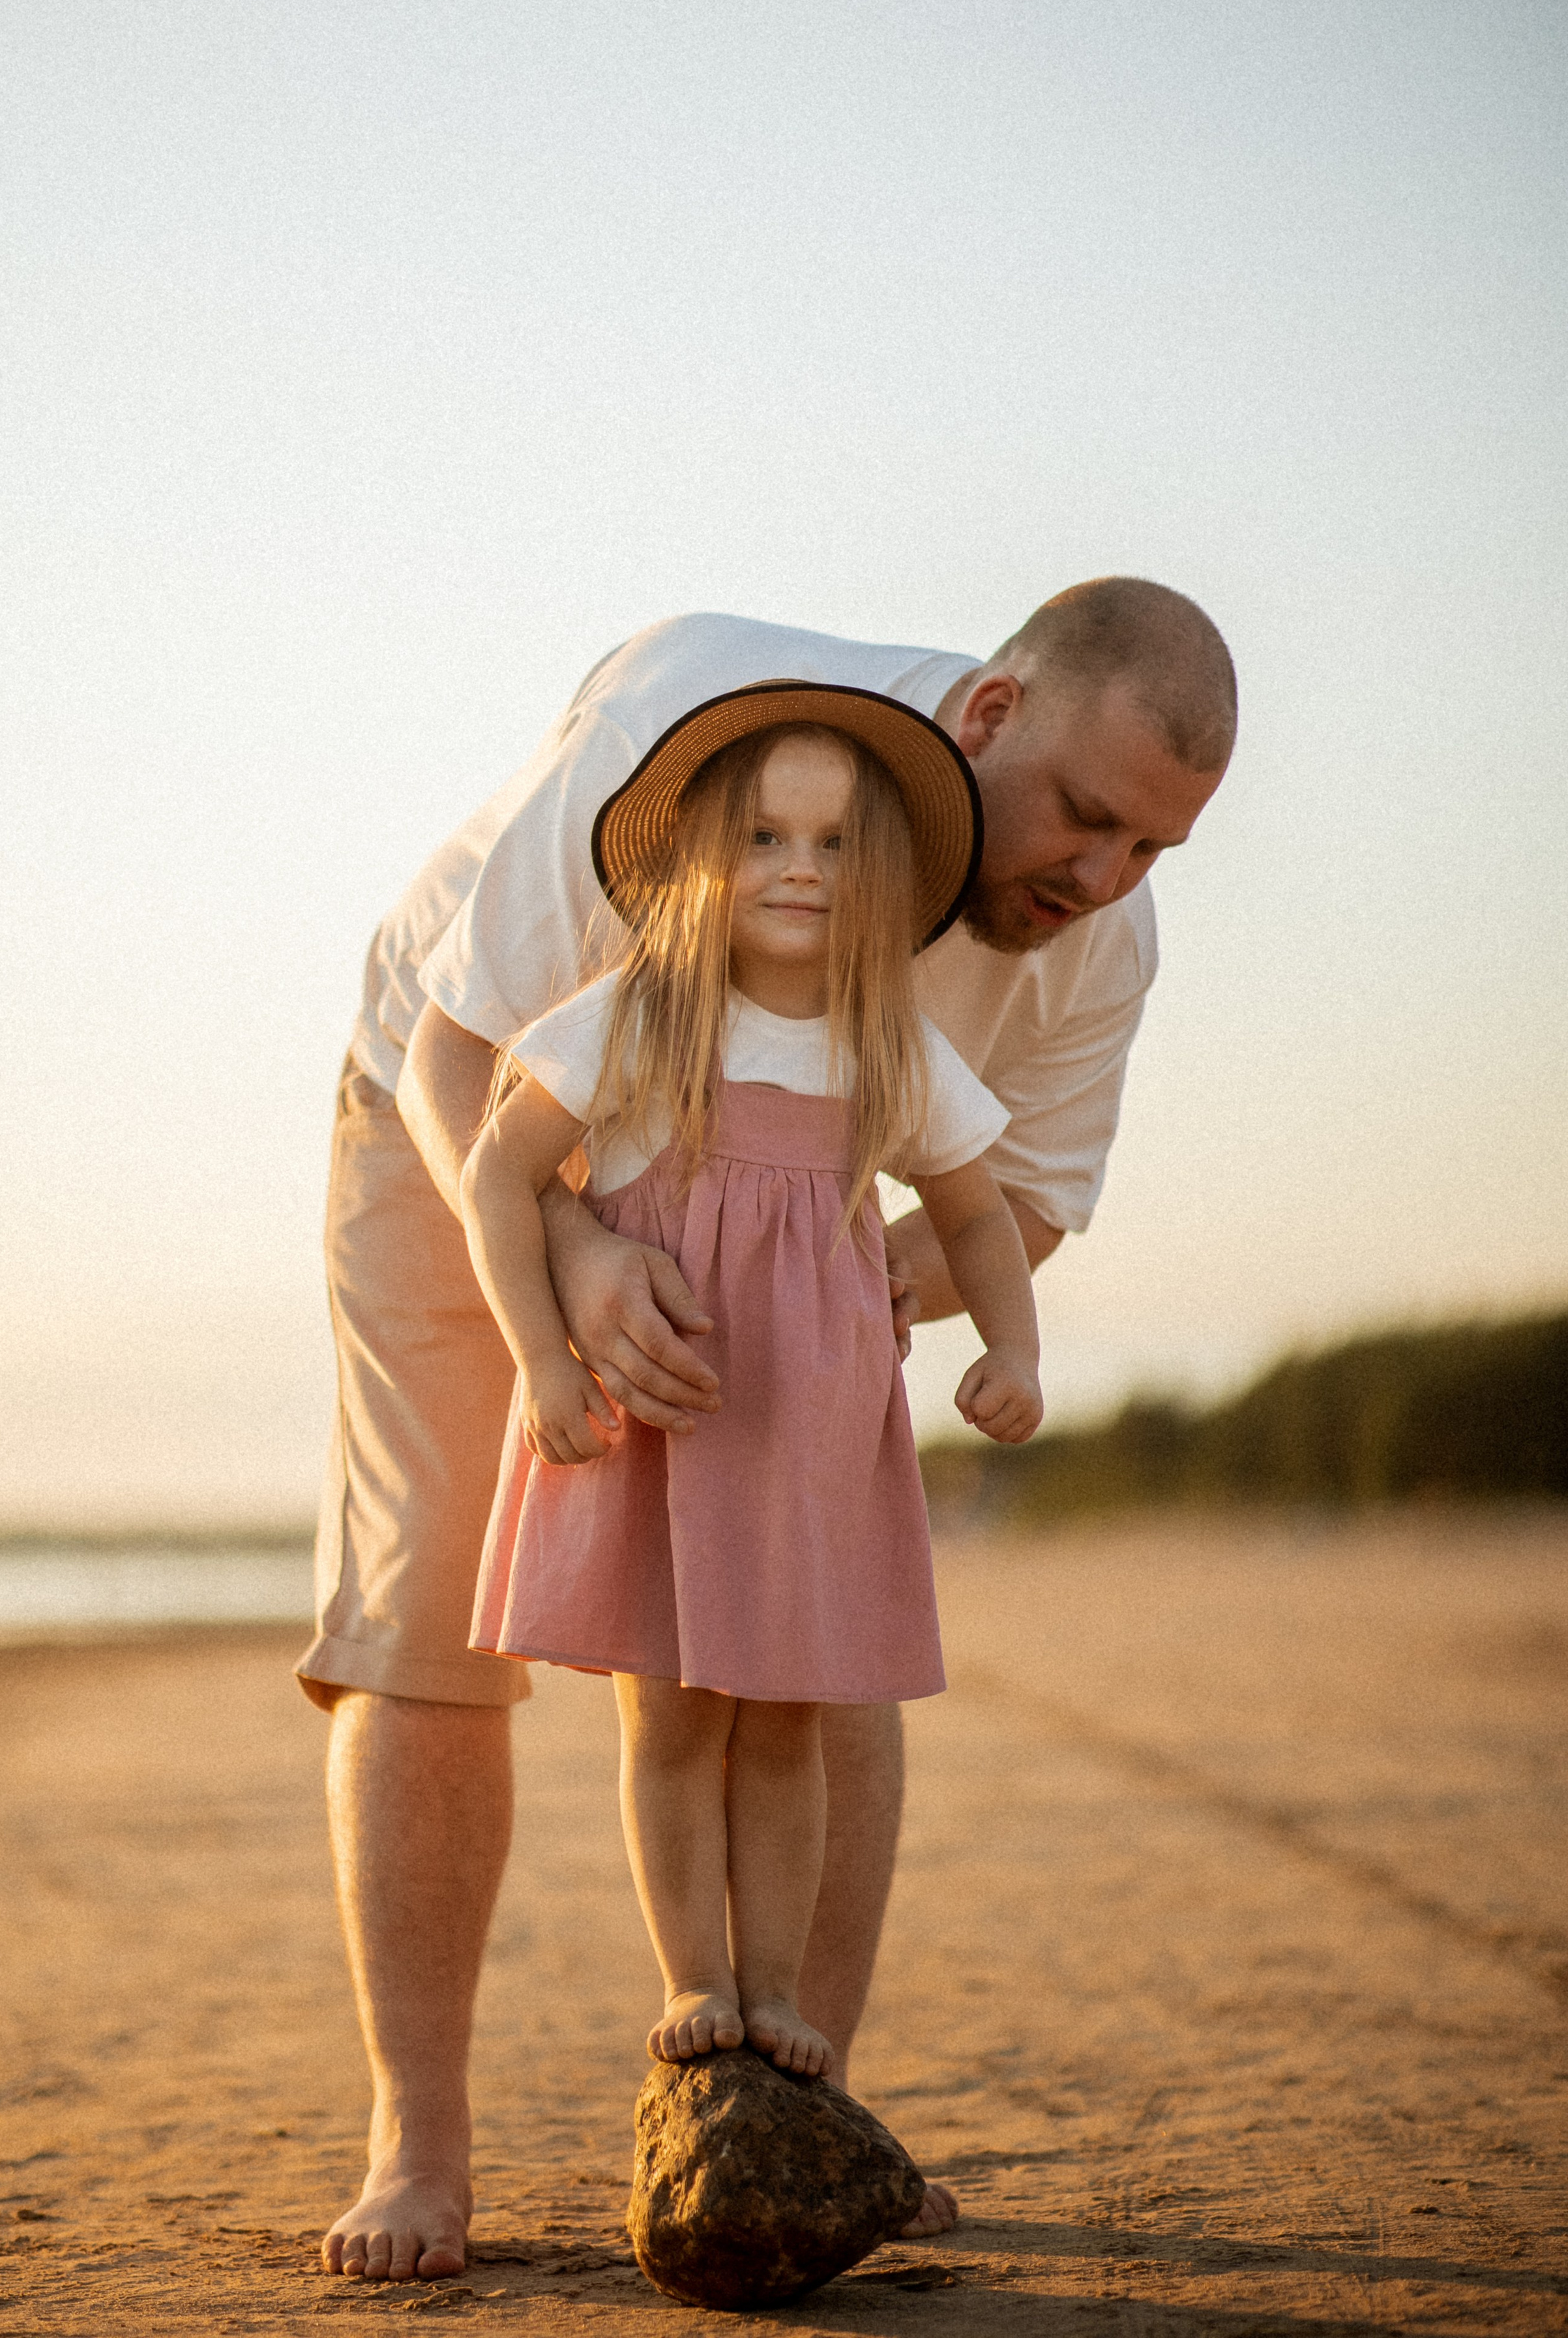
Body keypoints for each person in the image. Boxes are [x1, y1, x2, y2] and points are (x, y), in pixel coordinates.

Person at [304, 580, 1235, 2283]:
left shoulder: (1101, 936)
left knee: (820, 1640)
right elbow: (458, 1062)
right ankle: (418, 2150)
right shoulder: (695, 732)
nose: (1104, 880)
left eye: (1156, 850)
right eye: (1092, 820)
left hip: (787, 1227)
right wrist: (577, 1262)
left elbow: (1013, 1201)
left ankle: (806, 2115)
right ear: (992, 715)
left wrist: (839, 1299)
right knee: (430, 1614)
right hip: (461, 1119)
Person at [460, 699, 1044, 2083]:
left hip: (807, 1441)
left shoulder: (885, 1046)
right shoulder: (638, 1020)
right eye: (766, 835)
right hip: (664, 1420)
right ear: (698, 864)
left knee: (785, 1719)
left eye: (836, 841)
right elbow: (496, 1169)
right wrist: (543, 1354)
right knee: (668, 1714)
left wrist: (1011, 1349)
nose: (800, 866)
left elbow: (978, 1216)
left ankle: (776, 1992)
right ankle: (694, 1979)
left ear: (883, 876)